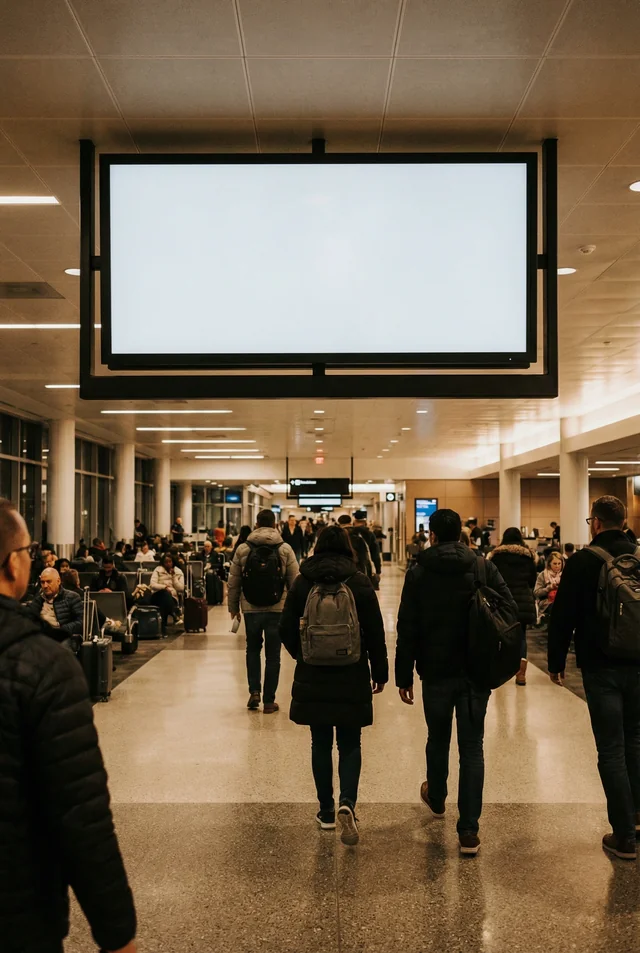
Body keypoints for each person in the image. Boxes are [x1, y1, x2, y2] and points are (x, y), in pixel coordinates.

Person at [0, 499, 137, 953]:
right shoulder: (42, 663)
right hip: (16, 914)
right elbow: (80, 812)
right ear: (12, 564)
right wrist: (117, 933)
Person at [395, 508, 517, 857]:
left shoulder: (418, 573)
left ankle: (436, 798)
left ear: (430, 534)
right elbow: (508, 612)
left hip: (435, 671)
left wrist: (403, 675)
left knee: (437, 737)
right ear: (462, 533)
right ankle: (469, 831)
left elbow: (408, 628)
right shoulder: (482, 566)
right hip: (476, 670)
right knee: (472, 746)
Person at [280, 525, 388, 845]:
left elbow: (285, 627)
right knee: (350, 742)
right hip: (351, 670)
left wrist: (303, 654)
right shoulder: (358, 581)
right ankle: (347, 803)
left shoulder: (303, 581)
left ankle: (326, 810)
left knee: (320, 742)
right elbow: (376, 632)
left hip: (313, 672)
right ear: (348, 548)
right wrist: (379, 672)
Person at [548, 496, 640, 861]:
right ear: (625, 520)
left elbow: (563, 615)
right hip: (638, 663)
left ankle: (623, 836)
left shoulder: (584, 561)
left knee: (611, 748)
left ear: (596, 524)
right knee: (635, 739)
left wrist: (555, 662)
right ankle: (636, 820)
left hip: (601, 665)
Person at [228, 509, 299, 714]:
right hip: (277, 609)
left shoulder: (243, 548)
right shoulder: (284, 549)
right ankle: (269, 700)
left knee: (252, 650)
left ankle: (254, 692)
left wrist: (234, 608)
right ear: (275, 524)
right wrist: (293, 611)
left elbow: (234, 582)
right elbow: (294, 582)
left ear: (256, 524)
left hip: (250, 609)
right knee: (273, 655)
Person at [488, 527, 537, 686]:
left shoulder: (496, 556)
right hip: (522, 601)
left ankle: (499, 669)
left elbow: (491, 580)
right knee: (521, 635)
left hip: (502, 601)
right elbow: (532, 580)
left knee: (499, 634)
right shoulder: (528, 556)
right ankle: (520, 674)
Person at [27, 567, 84, 653]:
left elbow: (81, 621)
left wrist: (61, 630)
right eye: (42, 582)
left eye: (49, 582)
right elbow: (29, 619)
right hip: (42, 636)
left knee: (59, 650)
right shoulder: (38, 599)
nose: (45, 586)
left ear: (58, 581)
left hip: (64, 637)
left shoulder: (72, 597)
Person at [150, 553, 185, 635]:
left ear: (173, 562)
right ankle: (174, 614)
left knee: (164, 602)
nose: (168, 564)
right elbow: (152, 584)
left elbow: (180, 588)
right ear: (163, 562)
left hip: (172, 597)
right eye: (166, 562)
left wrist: (174, 577)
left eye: (170, 562)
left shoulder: (178, 572)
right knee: (164, 594)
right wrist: (164, 587)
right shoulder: (158, 570)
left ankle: (162, 629)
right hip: (157, 595)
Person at [337, 515, 373, 580]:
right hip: (357, 569)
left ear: (339, 523)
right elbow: (365, 558)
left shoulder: (336, 536)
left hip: (341, 569)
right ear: (350, 521)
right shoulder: (359, 535)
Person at [352, 511, 382, 587]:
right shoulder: (369, 534)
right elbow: (375, 553)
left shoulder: (349, 533)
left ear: (354, 521)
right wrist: (378, 570)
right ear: (365, 522)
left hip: (351, 565)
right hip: (365, 565)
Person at [534, 550, 564, 623]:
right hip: (547, 604)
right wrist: (549, 588)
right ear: (549, 564)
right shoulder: (543, 575)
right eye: (554, 563)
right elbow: (536, 592)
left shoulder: (565, 575)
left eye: (559, 563)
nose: (557, 566)